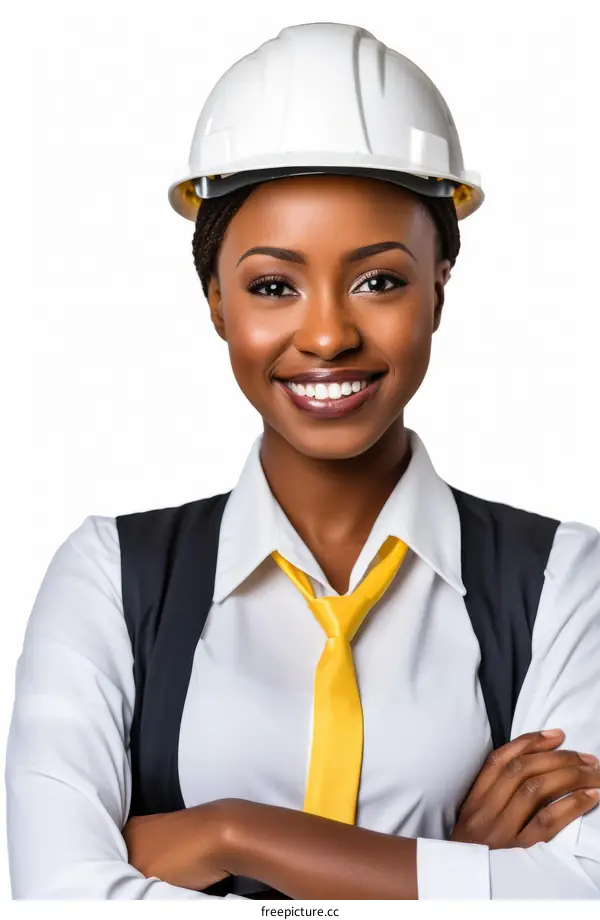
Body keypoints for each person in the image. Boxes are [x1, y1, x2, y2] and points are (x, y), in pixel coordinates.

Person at [6, 21, 600, 900]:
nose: (326, 334)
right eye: (274, 285)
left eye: (380, 280)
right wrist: (467, 874)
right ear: (215, 302)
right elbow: (57, 898)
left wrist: (227, 835)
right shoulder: (109, 575)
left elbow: (585, 898)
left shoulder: (561, 579)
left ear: (440, 286)